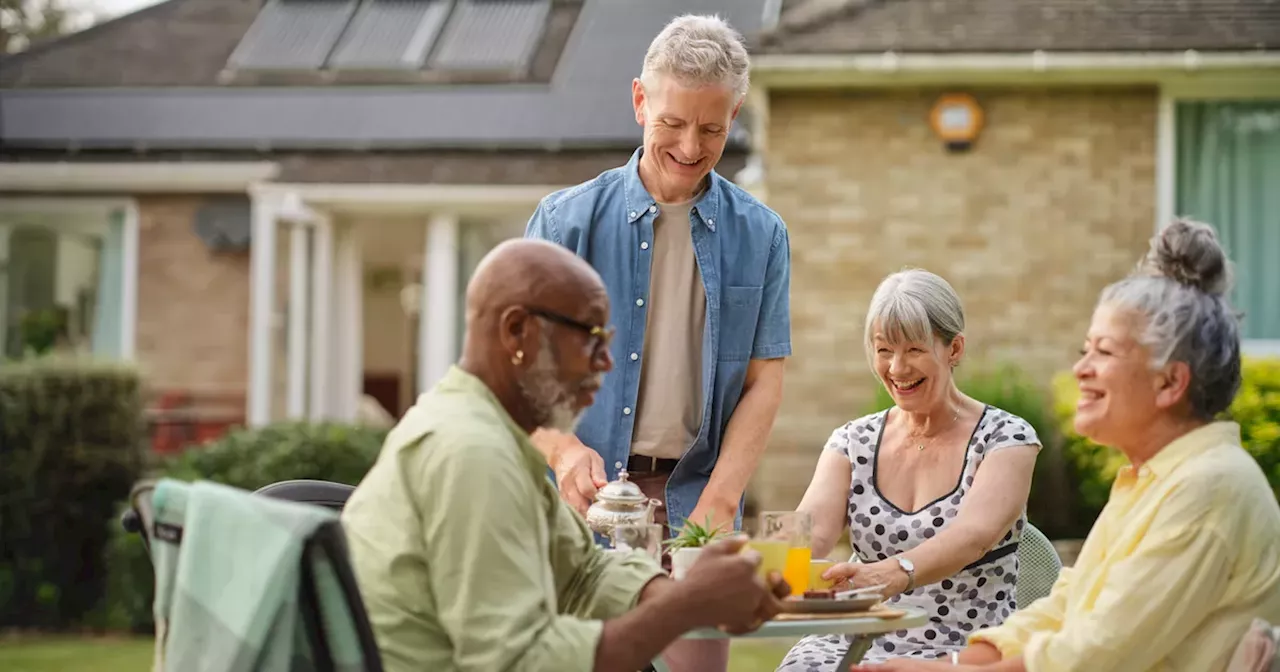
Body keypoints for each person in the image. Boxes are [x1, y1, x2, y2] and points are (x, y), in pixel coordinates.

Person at [339, 239, 789, 672]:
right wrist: (687, 605)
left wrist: (684, 590)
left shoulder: (493, 434)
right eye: (591, 337)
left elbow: (583, 571)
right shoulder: (470, 453)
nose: (606, 363)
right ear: (518, 330)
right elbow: (520, 661)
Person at [852, 219, 1280, 672]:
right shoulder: (1156, 480)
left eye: (1105, 353)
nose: (1082, 370)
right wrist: (954, 663)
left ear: (1170, 382)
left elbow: (1098, 651)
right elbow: (1067, 609)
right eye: (1085, 351)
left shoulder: (1206, 491)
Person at [524, 11, 790, 549]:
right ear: (640, 101)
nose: (691, 148)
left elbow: (763, 382)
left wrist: (721, 497)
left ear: (734, 114)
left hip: (700, 505)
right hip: (581, 509)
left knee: (693, 638)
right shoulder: (561, 224)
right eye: (673, 123)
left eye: (712, 129)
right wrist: (564, 451)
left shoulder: (763, 236)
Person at [777, 269, 1041, 668]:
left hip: (965, 644)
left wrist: (896, 572)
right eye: (884, 350)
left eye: (914, 350)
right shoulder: (852, 441)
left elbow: (973, 537)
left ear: (954, 349)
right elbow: (805, 534)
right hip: (860, 633)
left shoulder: (1006, 439)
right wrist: (758, 564)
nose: (897, 368)